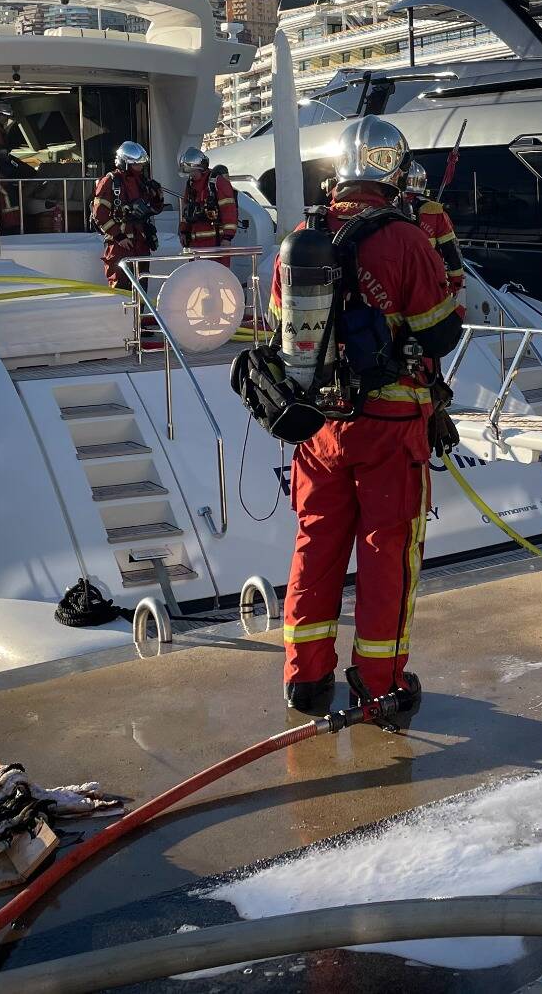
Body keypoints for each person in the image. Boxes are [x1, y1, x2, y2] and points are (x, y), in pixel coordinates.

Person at [271, 116, 463, 717]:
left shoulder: (303, 235)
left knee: (315, 544)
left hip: (321, 427)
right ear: (395, 172)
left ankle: (305, 679)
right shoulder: (405, 238)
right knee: (386, 553)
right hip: (390, 425)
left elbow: (285, 324)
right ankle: (379, 682)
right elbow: (441, 331)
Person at [90, 141, 164, 288]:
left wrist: (158, 195)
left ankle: (141, 311)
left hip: (141, 243)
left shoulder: (142, 182)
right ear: (125, 163)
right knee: (121, 288)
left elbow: (154, 209)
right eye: (137, 164)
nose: (140, 167)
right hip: (120, 246)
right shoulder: (110, 182)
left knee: (141, 287)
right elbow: (100, 215)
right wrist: (118, 236)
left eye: (142, 164)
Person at [401, 161, 466, 307]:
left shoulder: (386, 208)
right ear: (423, 183)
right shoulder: (435, 212)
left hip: (395, 284)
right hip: (429, 284)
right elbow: (451, 251)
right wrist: (456, 282)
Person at [178, 146, 239, 252]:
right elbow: (186, 211)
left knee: (216, 269)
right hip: (195, 244)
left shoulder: (216, 182)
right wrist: (184, 232)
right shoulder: (190, 184)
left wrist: (227, 237)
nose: (191, 176)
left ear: (200, 168)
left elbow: (229, 210)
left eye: (192, 172)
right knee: (195, 269)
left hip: (216, 242)